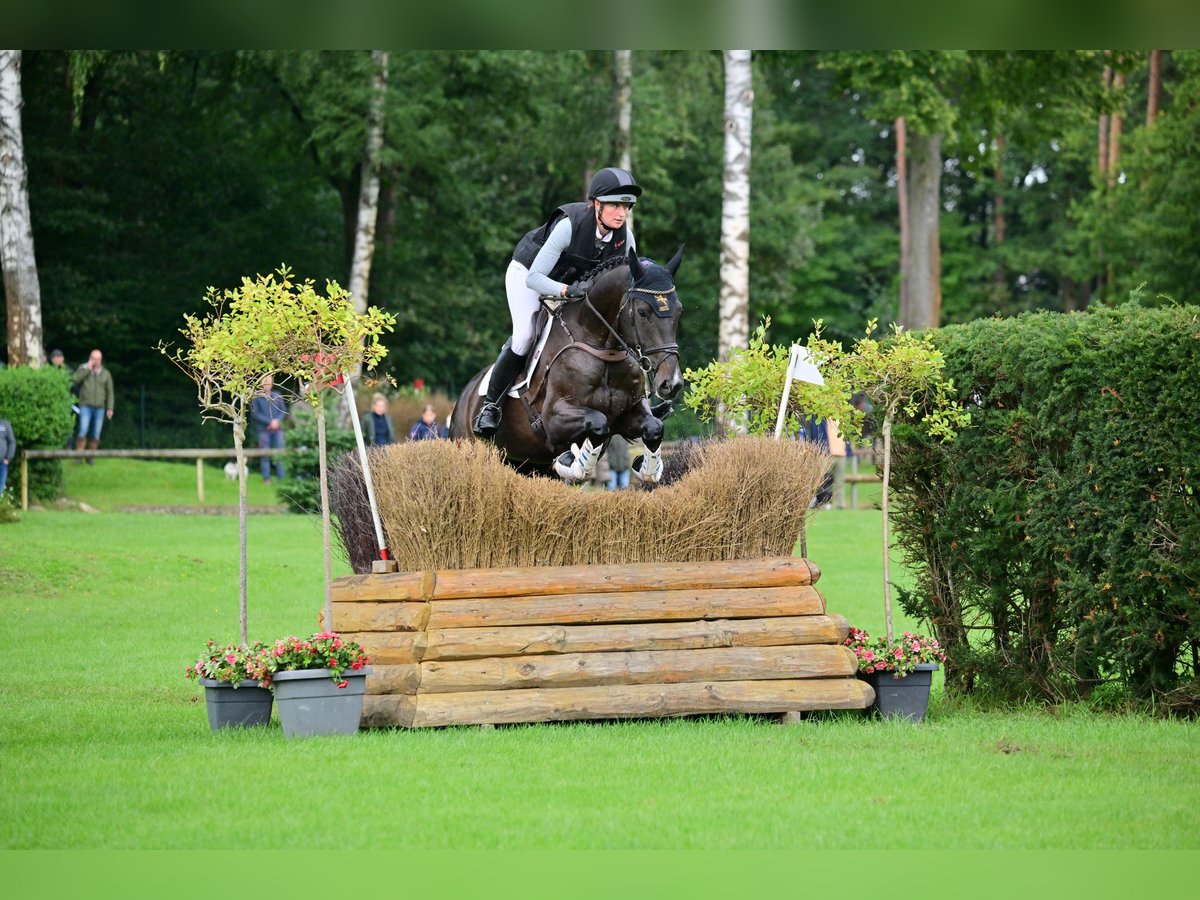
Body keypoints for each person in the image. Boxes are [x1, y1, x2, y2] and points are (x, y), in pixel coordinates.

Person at [473, 166, 642, 437]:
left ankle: (635, 406)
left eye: (627, 206)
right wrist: (566, 291)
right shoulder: (569, 226)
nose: (622, 214)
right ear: (596, 204)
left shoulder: (625, 238)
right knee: (525, 335)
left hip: (571, 286)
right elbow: (536, 278)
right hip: (529, 275)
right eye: (614, 206)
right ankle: (491, 406)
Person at [71, 349, 114, 464]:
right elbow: (75, 380)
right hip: (85, 405)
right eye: (94, 358)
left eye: (98, 359)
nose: (96, 361)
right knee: (83, 430)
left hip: (100, 407)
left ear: (101, 360)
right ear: (90, 358)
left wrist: (110, 408)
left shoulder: (106, 373)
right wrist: (88, 369)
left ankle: (90, 458)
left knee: (96, 433)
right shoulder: (83, 369)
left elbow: (110, 392)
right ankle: (79, 457)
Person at [250, 373, 287, 483]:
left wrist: (277, 421)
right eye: (265, 383)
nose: (267, 385)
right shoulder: (255, 397)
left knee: (280, 454)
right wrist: (270, 422)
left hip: (277, 430)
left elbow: (283, 411)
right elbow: (255, 414)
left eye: (269, 383)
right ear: (261, 383)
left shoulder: (277, 395)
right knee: (265, 454)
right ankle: (266, 479)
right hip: (263, 430)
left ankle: (282, 479)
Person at [0, 415, 15, 495]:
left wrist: (8, 458)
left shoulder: (5, 424)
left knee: (0, 486)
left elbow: (12, 442)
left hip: (2, 462)